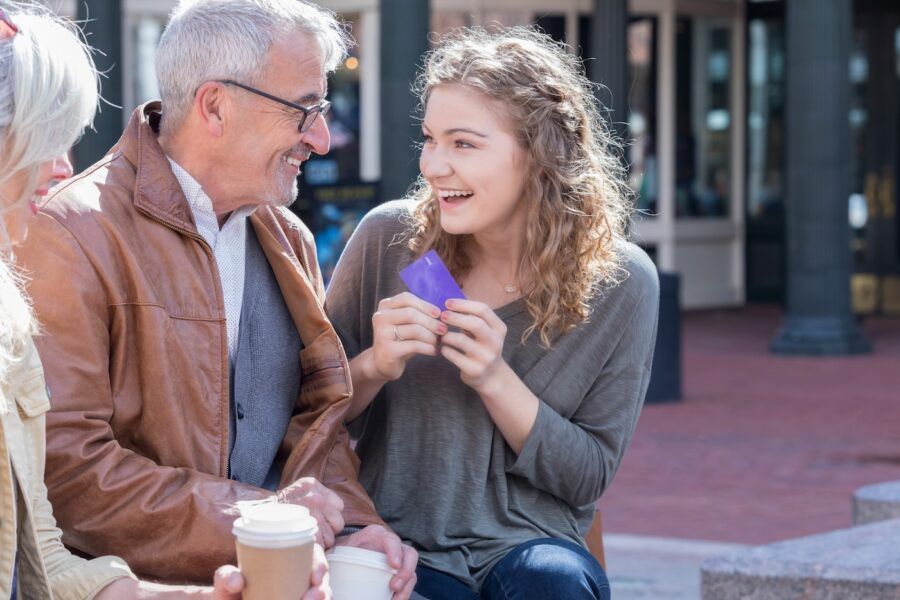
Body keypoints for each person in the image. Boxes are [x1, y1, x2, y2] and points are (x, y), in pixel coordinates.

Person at [15, 0, 416, 596]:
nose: (324, 139)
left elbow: (313, 430)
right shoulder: (69, 230)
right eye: (305, 110)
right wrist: (263, 519)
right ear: (215, 106)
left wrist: (356, 526)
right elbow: (67, 472)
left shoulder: (290, 237)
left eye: (323, 110)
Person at [326, 27, 660, 600]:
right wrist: (374, 366)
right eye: (430, 140)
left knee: (552, 585)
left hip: (529, 545)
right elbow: (309, 416)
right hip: (398, 543)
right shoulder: (391, 240)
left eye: (463, 144)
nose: (433, 165)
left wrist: (494, 379)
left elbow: (586, 478)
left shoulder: (622, 281)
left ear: (538, 154)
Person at [0, 3, 265, 598]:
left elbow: (44, 560)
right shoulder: (68, 241)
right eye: (45, 139)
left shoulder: (9, 315)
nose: (63, 166)